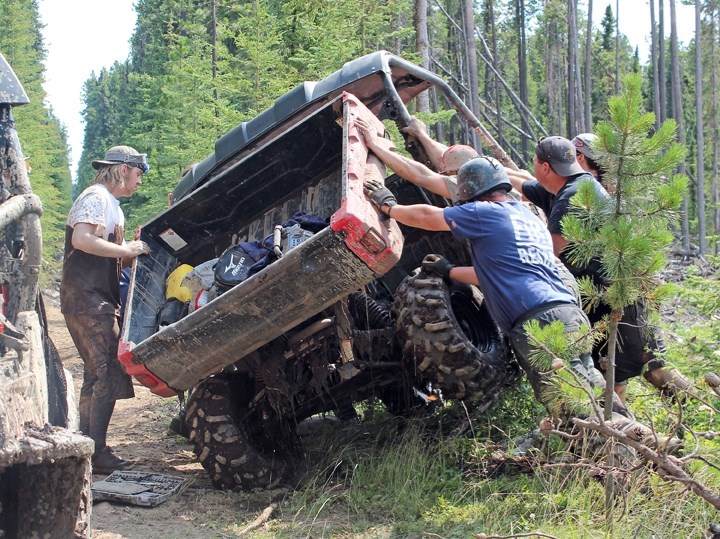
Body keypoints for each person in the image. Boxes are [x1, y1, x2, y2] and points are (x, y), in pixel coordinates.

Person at [363, 156, 605, 414]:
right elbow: (495, 272)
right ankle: (632, 440)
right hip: (569, 312)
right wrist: (450, 271)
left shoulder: (483, 211)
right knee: (594, 387)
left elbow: (427, 216)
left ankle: (602, 448)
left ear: (469, 192)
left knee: (569, 403)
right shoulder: (526, 216)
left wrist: (389, 207)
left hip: (536, 321)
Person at [504, 136, 689, 404]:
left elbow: (550, 251)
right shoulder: (574, 187)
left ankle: (694, 410)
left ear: (546, 166)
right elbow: (521, 182)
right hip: (602, 298)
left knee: (651, 371)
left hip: (620, 298)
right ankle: (624, 437)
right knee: (614, 374)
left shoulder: (575, 196)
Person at [60, 145, 151, 473]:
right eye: (138, 174)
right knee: (106, 371)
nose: (139, 181)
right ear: (123, 169)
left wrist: (128, 255)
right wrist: (123, 249)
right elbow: (82, 240)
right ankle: (96, 453)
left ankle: (89, 447)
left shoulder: (111, 205)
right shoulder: (96, 197)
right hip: (87, 299)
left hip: (96, 299)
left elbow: (104, 251)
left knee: (99, 373)